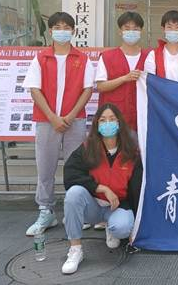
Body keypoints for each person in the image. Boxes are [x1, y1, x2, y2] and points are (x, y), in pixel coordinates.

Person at [22, 12, 94, 236]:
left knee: (76, 168)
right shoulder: (41, 58)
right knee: (45, 167)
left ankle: (76, 211)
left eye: (66, 27)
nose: (62, 31)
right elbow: (35, 89)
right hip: (46, 121)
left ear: (73, 31)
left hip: (76, 120)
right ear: (51, 31)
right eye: (57, 27)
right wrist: (53, 117)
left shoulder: (82, 59)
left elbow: (87, 90)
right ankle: (46, 211)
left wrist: (70, 116)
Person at [61, 103, 142, 274]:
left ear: (119, 123)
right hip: (93, 206)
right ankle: (75, 250)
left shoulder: (131, 152)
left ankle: (111, 227)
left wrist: (135, 225)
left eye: (112, 119)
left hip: (117, 206)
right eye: (103, 120)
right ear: (97, 124)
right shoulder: (87, 148)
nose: (108, 123)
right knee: (74, 193)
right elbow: (70, 174)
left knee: (122, 228)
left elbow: (137, 189)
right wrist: (101, 188)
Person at [96, 11, 151, 136]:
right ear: (120, 31)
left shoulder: (150, 57)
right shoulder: (107, 57)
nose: (131, 32)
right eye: (127, 28)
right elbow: (101, 86)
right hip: (114, 119)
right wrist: (124, 78)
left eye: (135, 29)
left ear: (141, 31)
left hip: (142, 118)